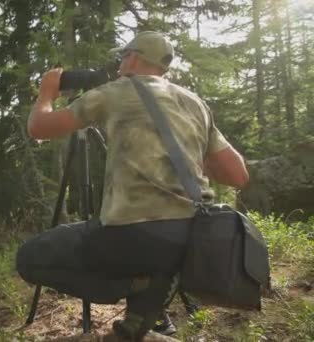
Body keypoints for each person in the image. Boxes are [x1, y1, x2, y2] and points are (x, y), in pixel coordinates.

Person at [16, 31, 249, 341]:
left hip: (131, 235)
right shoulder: (194, 102)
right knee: (139, 299)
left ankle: (135, 284)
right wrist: (187, 156)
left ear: (134, 59)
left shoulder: (113, 93)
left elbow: (38, 128)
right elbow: (238, 175)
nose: (120, 62)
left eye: (123, 56)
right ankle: (142, 307)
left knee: (28, 258)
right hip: (190, 238)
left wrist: (47, 92)